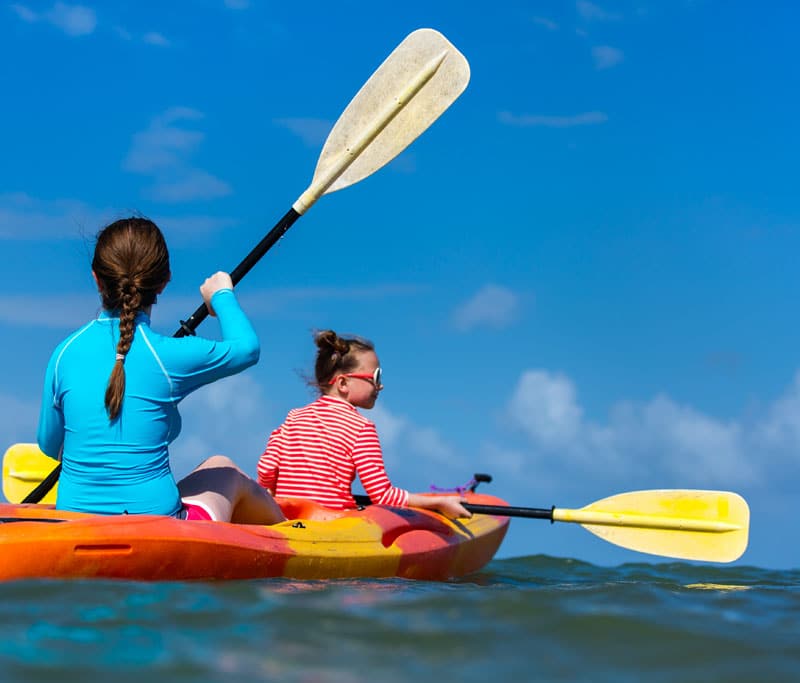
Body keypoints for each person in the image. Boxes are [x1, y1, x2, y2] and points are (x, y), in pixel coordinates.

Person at [37, 217, 285, 524]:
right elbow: (247, 349)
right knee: (225, 469)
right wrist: (221, 295)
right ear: (165, 280)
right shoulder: (167, 354)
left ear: (96, 279)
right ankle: (289, 533)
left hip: (75, 520)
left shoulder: (64, 353)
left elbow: (50, 445)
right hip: (158, 523)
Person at [257, 330, 470, 519]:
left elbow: (266, 469)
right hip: (330, 525)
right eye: (376, 377)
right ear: (343, 383)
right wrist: (438, 502)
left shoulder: (293, 417)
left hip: (287, 521)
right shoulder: (360, 428)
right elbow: (382, 495)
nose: (381, 385)